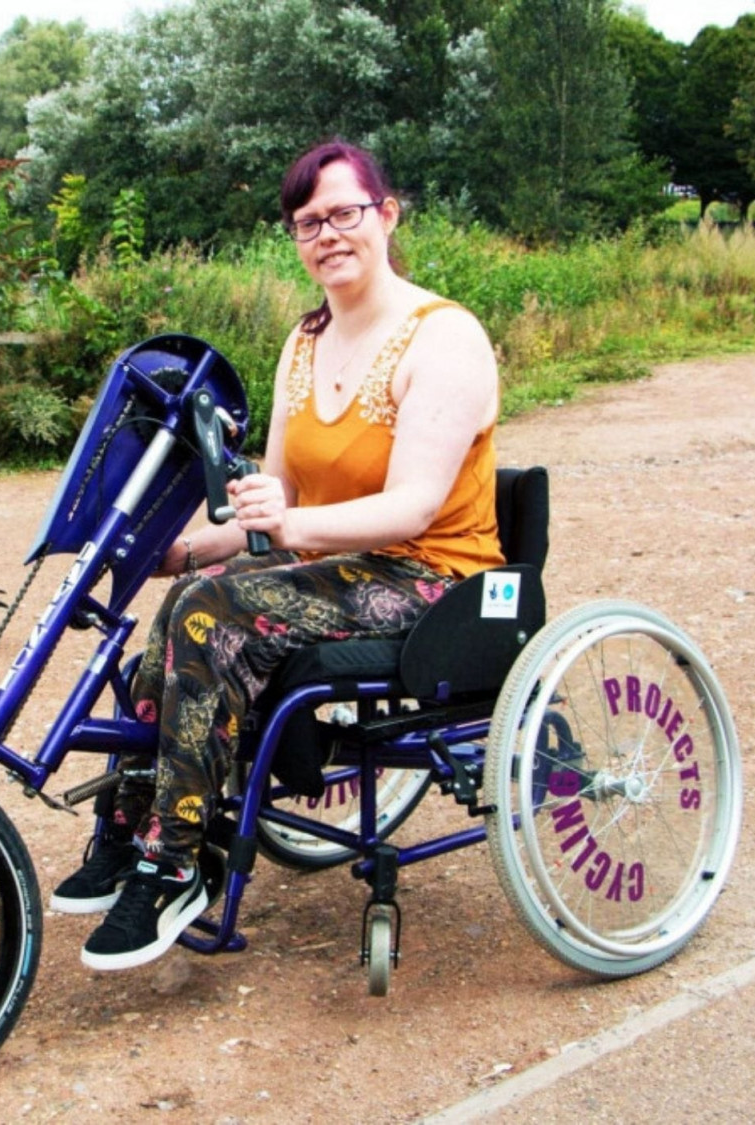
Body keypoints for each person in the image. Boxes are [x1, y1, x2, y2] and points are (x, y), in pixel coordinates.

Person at [50, 139, 504, 971]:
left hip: (437, 579)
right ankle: (131, 824)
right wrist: (183, 551)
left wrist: (287, 530)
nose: (327, 234)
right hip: (339, 568)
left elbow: (412, 506)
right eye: (307, 222)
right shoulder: (306, 341)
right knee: (185, 602)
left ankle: (177, 860)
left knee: (215, 611)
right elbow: (273, 500)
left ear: (387, 214)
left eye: (344, 213)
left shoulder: (447, 339)